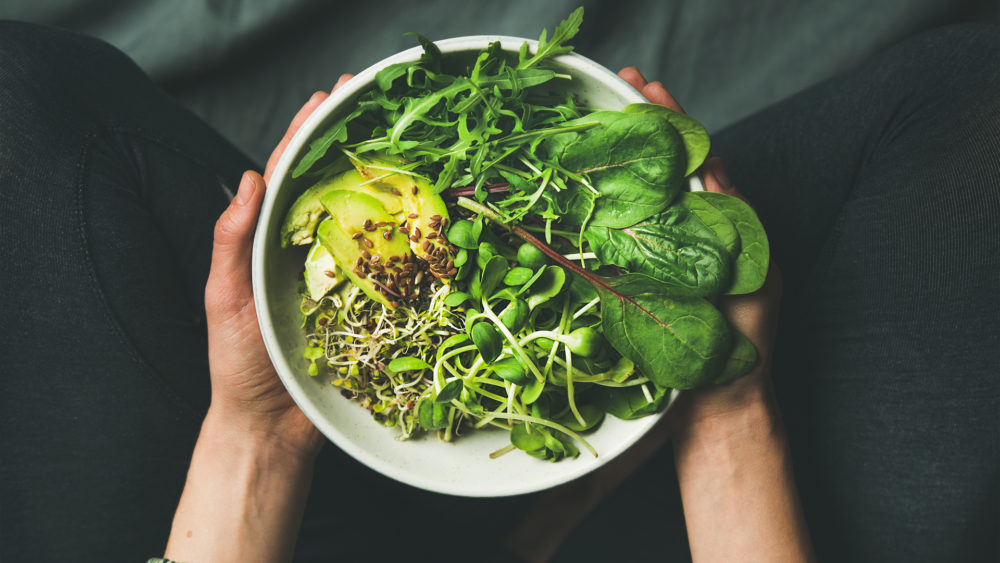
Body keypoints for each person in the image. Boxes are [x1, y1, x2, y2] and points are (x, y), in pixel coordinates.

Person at [1, 20, 997, 563]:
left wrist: (256, 433)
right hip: (676, 519)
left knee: (19, 96)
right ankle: (552, 527)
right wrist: (727, 417)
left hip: (290, 525)